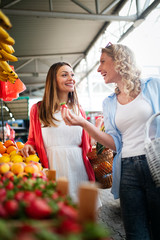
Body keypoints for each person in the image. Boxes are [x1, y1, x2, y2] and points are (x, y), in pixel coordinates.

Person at [61, 43, 160, 240]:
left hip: (156, 164)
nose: (98, 69)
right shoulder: (109, 103)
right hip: (127, 168)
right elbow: (115, 143)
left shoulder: (153, 86)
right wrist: (83, 123)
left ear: (120, 61)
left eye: (103, 62)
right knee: (135, 232)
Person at [20, 62, 98, 203]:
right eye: (64, 74)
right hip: (52, 167)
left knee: (84, 216)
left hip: (79, 168)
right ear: (53, 81)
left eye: (72, 74)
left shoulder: (78, 109)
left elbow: (86, 143)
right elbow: (31, 139)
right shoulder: (38, 109)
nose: (71, 78)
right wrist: (28, 145)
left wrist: (97, 130)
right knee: (58, 214)